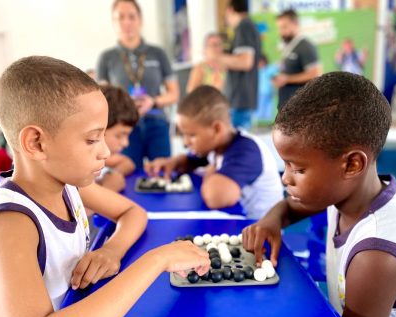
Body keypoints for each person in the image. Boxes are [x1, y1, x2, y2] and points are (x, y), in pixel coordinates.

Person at [0, 56, 210, 317]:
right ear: (36, 143)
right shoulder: (10, 223)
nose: (106, 151)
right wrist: (156, 261)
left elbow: (132, 213)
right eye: (92, 139)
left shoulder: (69, 186)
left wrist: (112, 251)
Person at [242, 72, 396, 317]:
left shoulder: (376, 257)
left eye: (298, 169)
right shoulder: (352, 193)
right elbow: (290, 207)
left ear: (352, 164)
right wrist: (270, 222)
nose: (285, 179)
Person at [145, 85, 283, 220]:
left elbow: (215, 197)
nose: (185, 143)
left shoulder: (246, 150)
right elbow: (190, 160)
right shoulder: (218, 145)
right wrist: (172, 162)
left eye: (191, 135)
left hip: (261, 233)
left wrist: (210, 172)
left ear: (217, 129)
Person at [96, 0, 179, 169]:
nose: (126, 22)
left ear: (140, 20)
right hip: (124, 129)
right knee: (128, 175)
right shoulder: (106, 57)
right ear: (114, 22)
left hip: (156, 122)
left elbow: (174, 93)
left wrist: (153, 102)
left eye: (131, 17)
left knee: (163, 172)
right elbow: (102, 99)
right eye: (120, 18)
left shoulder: (158, 53)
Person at [217, 0, 261, 130]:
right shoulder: (247, 26)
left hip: (240, 100)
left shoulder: (244, 26)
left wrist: (217, 57)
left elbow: (245, 62)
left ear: (230, 10)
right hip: (240, 99)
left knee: (238, 143)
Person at [273, 9, 321, 109]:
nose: (281, 31)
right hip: (286, 106)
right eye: (279, 28)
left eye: (284, 27)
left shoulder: (305, 46)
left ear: (296, 24)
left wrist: (287, 79)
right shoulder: (288, 46)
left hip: (299, 108)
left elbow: (316, 73)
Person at [98, 84, 139, 192]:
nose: (126, 143)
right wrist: (109, 189)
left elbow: (127, 162)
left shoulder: (101, 159)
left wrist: (112, 174)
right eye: (119, 135)